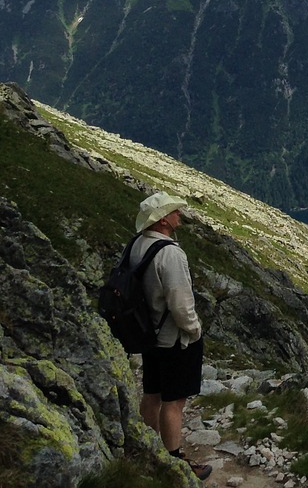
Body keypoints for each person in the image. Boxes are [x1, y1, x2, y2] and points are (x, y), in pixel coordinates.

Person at [131, 191, 211, 482]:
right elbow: (180, 301)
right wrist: (194, 330)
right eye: (175, 211)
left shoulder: (137, 245)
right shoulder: (170, 253)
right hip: (174, 340)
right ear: (163, 220)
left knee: (151, 393)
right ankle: (174, 462)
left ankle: (147, 449)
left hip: (148, 336)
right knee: (174, 401)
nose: (180, 215)